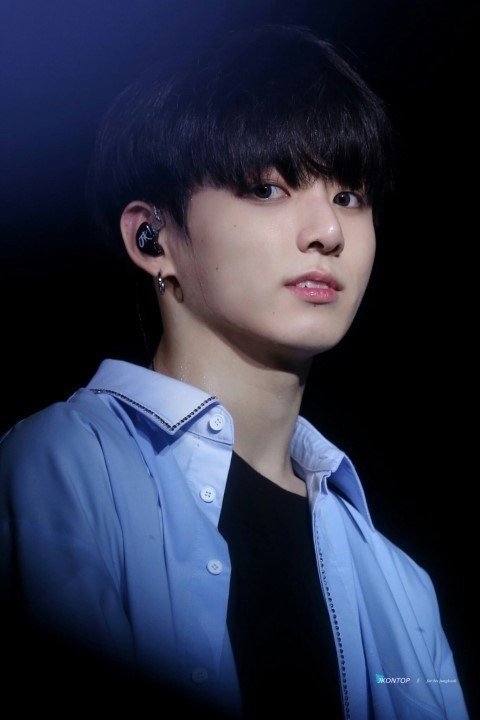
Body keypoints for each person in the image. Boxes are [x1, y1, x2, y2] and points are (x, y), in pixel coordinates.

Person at [0, 23, 470, 720]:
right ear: (152, 238)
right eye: (267, 188)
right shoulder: (56, 466)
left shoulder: (401, 587)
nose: (328, 232)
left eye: (349, 196)